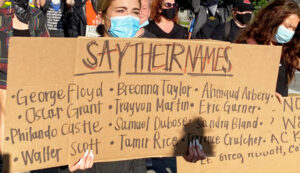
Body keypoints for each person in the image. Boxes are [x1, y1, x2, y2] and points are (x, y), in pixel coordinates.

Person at [236, 0, 300, 101]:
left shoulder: (286, 49)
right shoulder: (248, 44)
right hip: (252, 108)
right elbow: (236, 82)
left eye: (293, 29)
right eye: (288, 26)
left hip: (279, 113)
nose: (290, 32)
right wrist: (264, 94)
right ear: (273, 20)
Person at [276, 23, 300, 97]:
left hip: (281, 103)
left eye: (293, 28)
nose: (290, 30)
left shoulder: (288, 52)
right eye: (289, 26)